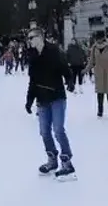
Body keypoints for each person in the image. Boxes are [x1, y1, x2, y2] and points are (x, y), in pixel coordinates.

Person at [25, 27, 76, 180]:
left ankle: (67, 163)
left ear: (40, 37)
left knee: (58, 129)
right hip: (42, 99)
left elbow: (65, 69)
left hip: (57, 96)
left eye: (32, 37)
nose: (30, 40)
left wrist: (70, 81)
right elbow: (32, 81)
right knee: (44, 131)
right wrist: (29, 100)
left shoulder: (53, 51)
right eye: (29, 38)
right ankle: (52, 159)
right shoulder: (32, 56)